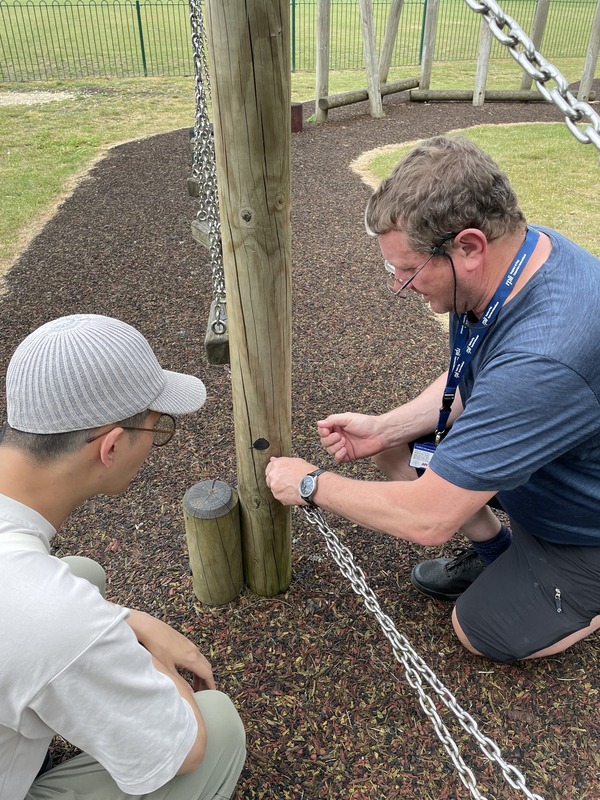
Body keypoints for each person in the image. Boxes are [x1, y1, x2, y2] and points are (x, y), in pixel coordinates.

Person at [266, 134, 600, 665]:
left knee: (480, 630)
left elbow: (429, 521)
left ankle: (579, 587)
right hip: (548, 456)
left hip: (583, 526)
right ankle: (499, 553)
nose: (400, 286)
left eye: (409, 269)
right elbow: (480, 374)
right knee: (390, 447)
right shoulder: (527, 253)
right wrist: (384, 429)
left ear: (468, 247)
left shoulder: (543, 359)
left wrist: (310, 485)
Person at [0, 314, 245, 800]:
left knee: (82, 575)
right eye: (157, 429)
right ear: (111, 445)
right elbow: (184, 750)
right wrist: (147, 657)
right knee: (216, 729)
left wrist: (127, 620)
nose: (156, 445)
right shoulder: (51, 615)